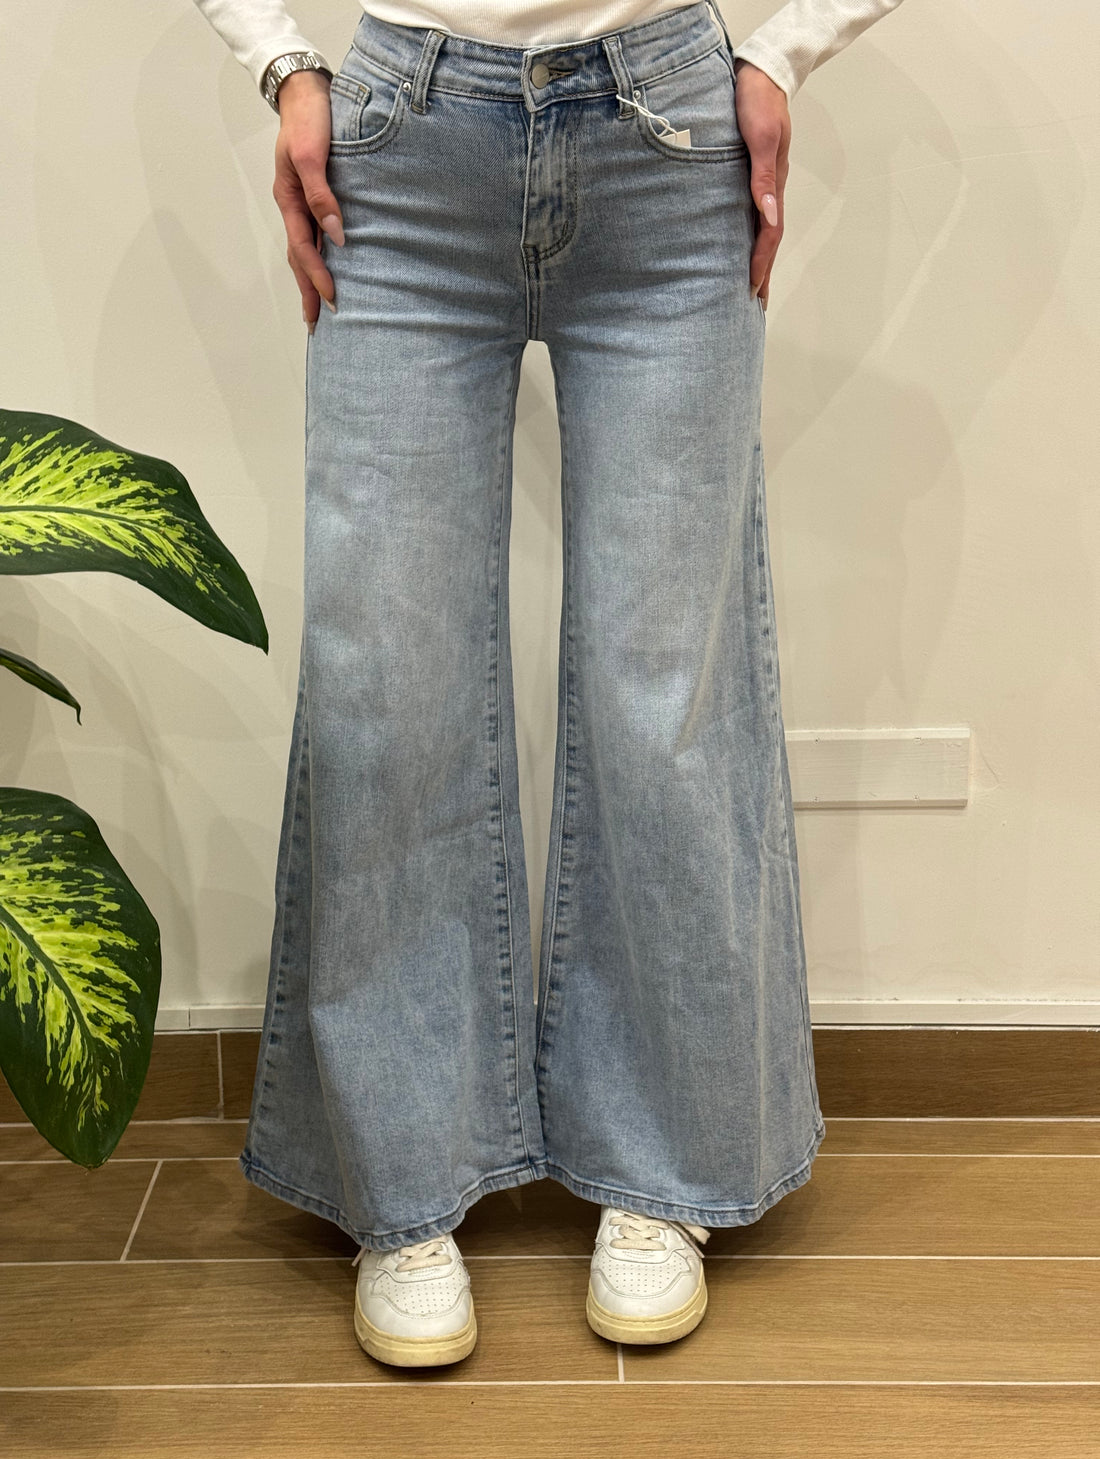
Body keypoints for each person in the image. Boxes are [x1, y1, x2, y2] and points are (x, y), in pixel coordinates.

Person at [191, 0, 904, 1369]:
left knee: (664, 691)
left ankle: (660, 1167)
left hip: (666, 147)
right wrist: (281, 63)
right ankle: (404, 1180)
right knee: (386, 691)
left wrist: (784, 51)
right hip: (400, 154)